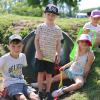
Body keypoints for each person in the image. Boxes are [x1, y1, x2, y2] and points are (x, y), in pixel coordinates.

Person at [35, 4, 63, 100]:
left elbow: (59, 44)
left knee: (49, 74)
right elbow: (36, 40)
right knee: (40, 73)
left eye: (53, 15)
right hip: (40, 56)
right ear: (45, 14)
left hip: (51, 56)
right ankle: (40, 91)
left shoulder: (58, 30)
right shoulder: (40, 27)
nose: (51, 17)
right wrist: (38, 52)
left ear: (56, 16)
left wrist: (58, 54)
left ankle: (47, 91)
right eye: (49, 14)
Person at [0, 34, 39, 100]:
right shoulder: (4, 58)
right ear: (8, 47)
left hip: (22, 83)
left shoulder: (22, 56)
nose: (16, 48)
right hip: (11, 84)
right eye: (13, 46)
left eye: (19, 46)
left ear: (22, 46)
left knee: (35, 97)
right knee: (22, 98)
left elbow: (22, 69)